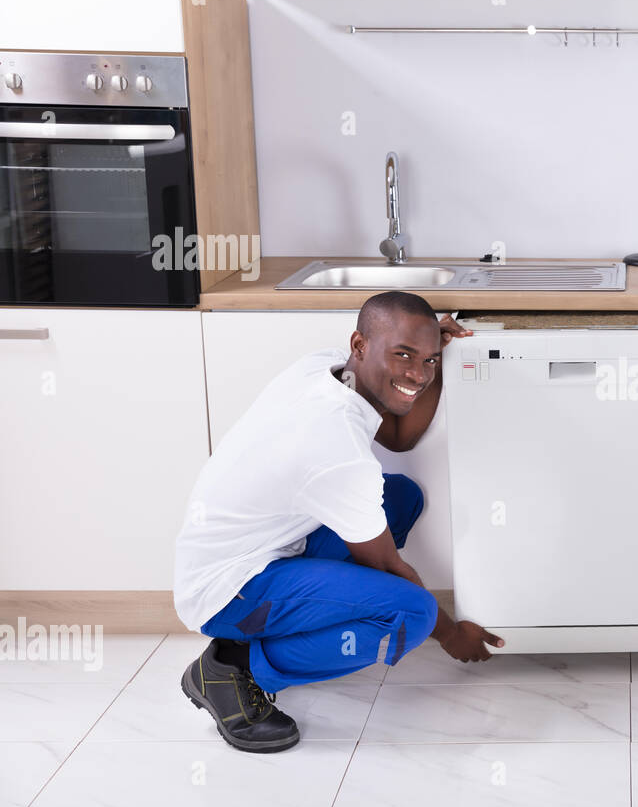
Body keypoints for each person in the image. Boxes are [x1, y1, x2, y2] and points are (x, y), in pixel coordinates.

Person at [173, 291, 503, 753]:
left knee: (398, 498)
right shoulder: (335, 447)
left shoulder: (326, 367)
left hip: (260, 550)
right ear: (361, 344)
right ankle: (235, 668)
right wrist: (451, 636)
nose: (417, 373)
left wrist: (434, 361)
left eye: (426, 359)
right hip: (228, 591)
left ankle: (276, 634)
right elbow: (389, 569)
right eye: (403, 355)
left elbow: (399, 435)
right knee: (412, 612)